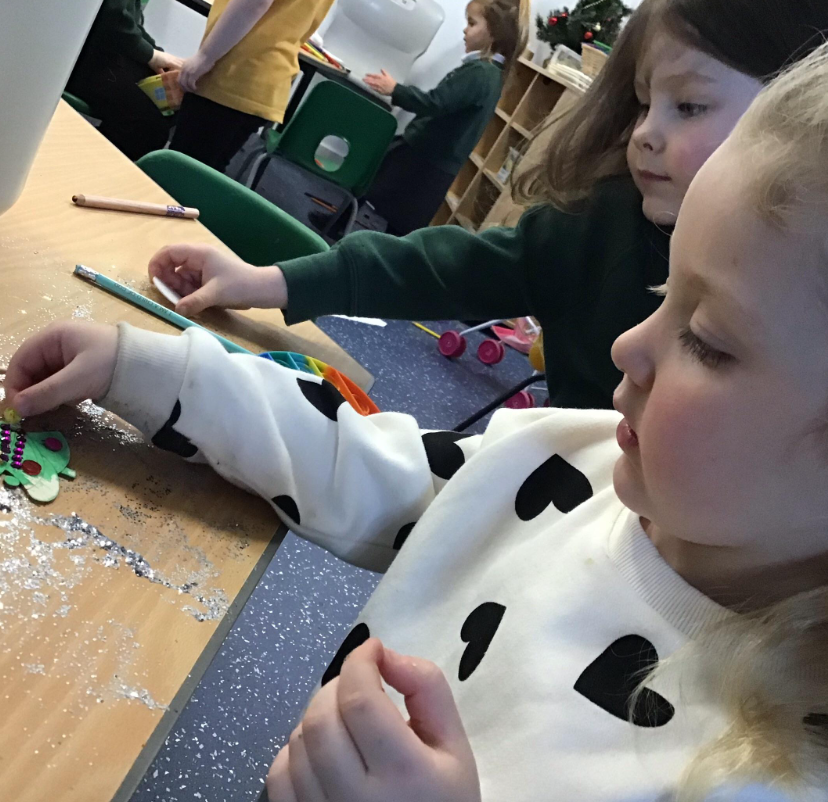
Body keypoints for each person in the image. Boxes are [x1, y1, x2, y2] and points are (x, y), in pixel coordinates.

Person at [8, 41, 828, 801]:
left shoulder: (778, 772)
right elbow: (352, 458)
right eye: (662, 293)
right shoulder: (559, 461)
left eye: (706, 339)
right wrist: (155, 371)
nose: (627, 345)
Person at [146, 0, 828, 410]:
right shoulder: (602, 221)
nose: (645, 133)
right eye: (645, 103)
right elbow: (440, 266)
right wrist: (269, 281)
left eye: (691, 106)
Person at [350, 0, 527, 236]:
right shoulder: (489, 73)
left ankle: (341, 228)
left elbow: (434, 103)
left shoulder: (480, 73)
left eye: (472, 23)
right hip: (430, 158)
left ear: (494, 32)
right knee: (391, 214)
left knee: (373, 193)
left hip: (424, 158)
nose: (465, 30)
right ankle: (343, 226)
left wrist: (395, 90)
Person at [167, 0, 334, 173]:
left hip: (234, 73)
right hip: (263, 79)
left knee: (179, 171)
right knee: (202, 173)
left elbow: (255, 3)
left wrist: (206, 56)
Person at [66, 0, 184, 161]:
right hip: (78, 56)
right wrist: (151, 54)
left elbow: (127, 20)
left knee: (167, 109)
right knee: (148, 124)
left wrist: (156, 53)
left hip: (101, 50)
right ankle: (80, 161)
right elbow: (111, 15)